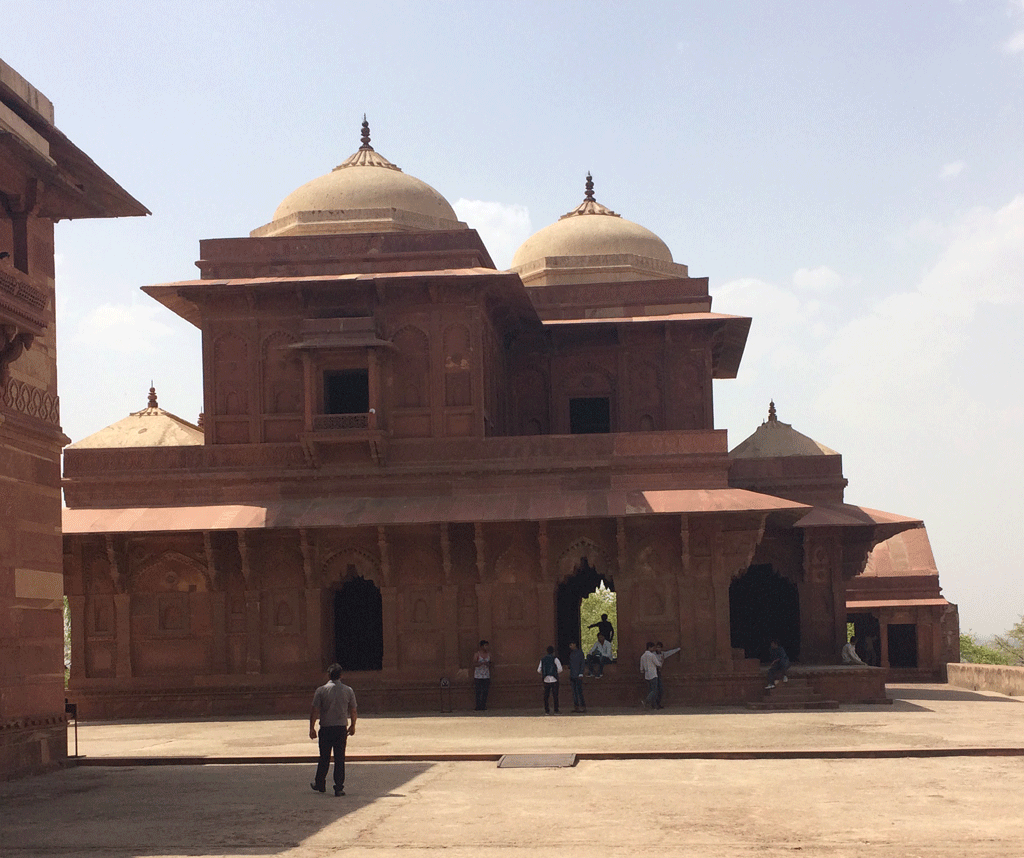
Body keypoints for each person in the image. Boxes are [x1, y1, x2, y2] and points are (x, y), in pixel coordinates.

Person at [309, 663, 357, 796]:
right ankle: (339, 787)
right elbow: (353, 710)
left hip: (326, 727)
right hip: (341, 728)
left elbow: (315, 710)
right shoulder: (348, 690)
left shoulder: (321, 690)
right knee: (339, 758)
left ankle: (320, 783)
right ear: (341, 675)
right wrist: (353, 725)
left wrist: (311, 728)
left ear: (328, 675)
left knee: (324, 757)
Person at [653, 641, 681, 709]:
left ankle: (658, 703)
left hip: (658, 672)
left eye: (659, 647)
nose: (658, 649)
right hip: (654, 672)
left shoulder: (662, 654)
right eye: (657, 647)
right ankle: (654, 703)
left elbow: (670, 652)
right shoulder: (653, 655)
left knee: (660, 689)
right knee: (655, 689)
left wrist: (679, 649)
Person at [537, 645, 562, 714]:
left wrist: (545, 673)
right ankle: (556, 710)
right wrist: (555, 673)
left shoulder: (543, 660)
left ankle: (547, 710)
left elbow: (539, 670)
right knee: (555, 695)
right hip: (554, 679)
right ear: (553, 651)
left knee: (546, 696)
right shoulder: (555, 659)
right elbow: (560, 669)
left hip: (546, 679)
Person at [568, 641, 587, 713]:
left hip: (578, 675)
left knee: (579, 691)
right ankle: (576, 706)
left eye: (571, 644)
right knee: (574, 692)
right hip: (572, 674)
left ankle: (582, 706)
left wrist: (581, 673)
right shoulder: (571, 654)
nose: (570, 646)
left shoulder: (580, 653)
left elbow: (582, 663)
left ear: (575, 644)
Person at [473, 640, 492, 710]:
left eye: (487, 646)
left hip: (486, 675)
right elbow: (474, 664)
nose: (487, 647)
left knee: (485, 691)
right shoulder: (477, 654)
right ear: (481, 646)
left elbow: (491, 663)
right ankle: (478, 706)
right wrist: (480, 664)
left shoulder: (489, 654)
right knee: (478, 691)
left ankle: (483, 706)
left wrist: (488, 664)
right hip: (478, 676)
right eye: (485, 646)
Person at [639, 641, 660, 709]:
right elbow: (658, 664)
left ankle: (653, 705)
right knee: (654, 690)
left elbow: (641, 668)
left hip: (647, 675)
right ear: (650, 648)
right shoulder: (652, 655)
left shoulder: (643, 656)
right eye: (653, 647)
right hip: (653, 674)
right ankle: (646, 701)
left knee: (651, 690)